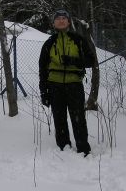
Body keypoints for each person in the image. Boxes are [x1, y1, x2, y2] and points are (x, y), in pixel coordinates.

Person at [39, 9, 95, 157]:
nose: (61, 20)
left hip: (74, 84)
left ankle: (83, 148)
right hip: (54, 86)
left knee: (78, 118)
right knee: (59, 117)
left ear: (69, 22)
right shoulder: (49, 43)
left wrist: (74, 61)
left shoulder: (78, 40)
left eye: (64, 18)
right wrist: (43, 91)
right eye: (58, 19)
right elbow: (42, 69)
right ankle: (63, 147)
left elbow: (91, 60)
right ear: (54, 23)